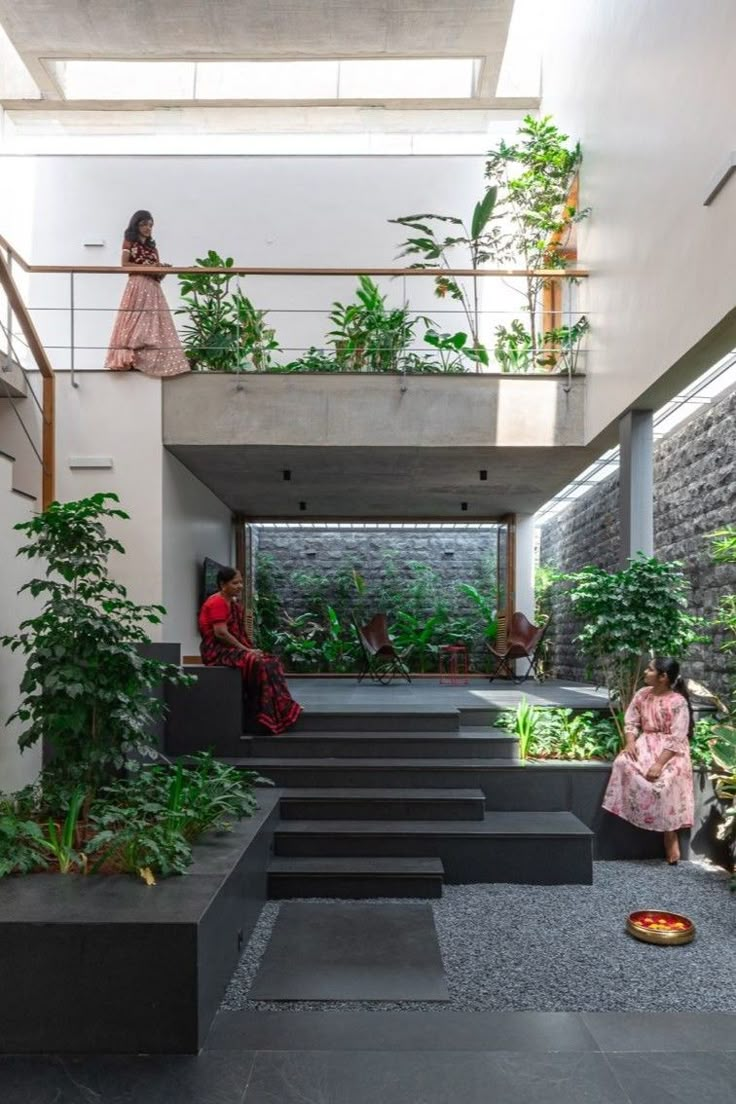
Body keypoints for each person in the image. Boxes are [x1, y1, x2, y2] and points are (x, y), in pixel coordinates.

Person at [602, 656, 694, 864]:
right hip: (645, 743)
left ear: (663, 677)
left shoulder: (678, 702)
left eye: (650, 670)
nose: (645, 672)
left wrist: (659, 764)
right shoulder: (642, 695)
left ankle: (670, 833)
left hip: (670, 751)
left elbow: (678, 736)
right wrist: (630, 742)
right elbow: (632, 721)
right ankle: (633, 813)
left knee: (663, 784)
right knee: (622, 763)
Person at [198, 566, 302, 735]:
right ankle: (263, 713)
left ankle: (282, 708)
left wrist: (250, 649)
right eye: (235, 583)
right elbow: (221, 633)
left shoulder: (232, 603)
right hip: (216, 651)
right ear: (222, 584)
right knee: (258, 662)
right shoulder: (216, 602)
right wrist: (247, 650)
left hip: (230, 649)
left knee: (272, 661)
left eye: (240, 582)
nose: (240, 586)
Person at [105, 209, 190, 377]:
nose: (148, 228)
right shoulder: (129, 242)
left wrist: (161, 270)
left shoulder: (152, 248)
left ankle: (151, 360)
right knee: (135, 322)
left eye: (150, 225)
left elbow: (158, 274)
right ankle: (130, 358)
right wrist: (150, 268)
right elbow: (125, 265)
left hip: (153, 287)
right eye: (144, 224)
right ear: (136, 225)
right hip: (137, 285)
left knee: (153, 323)